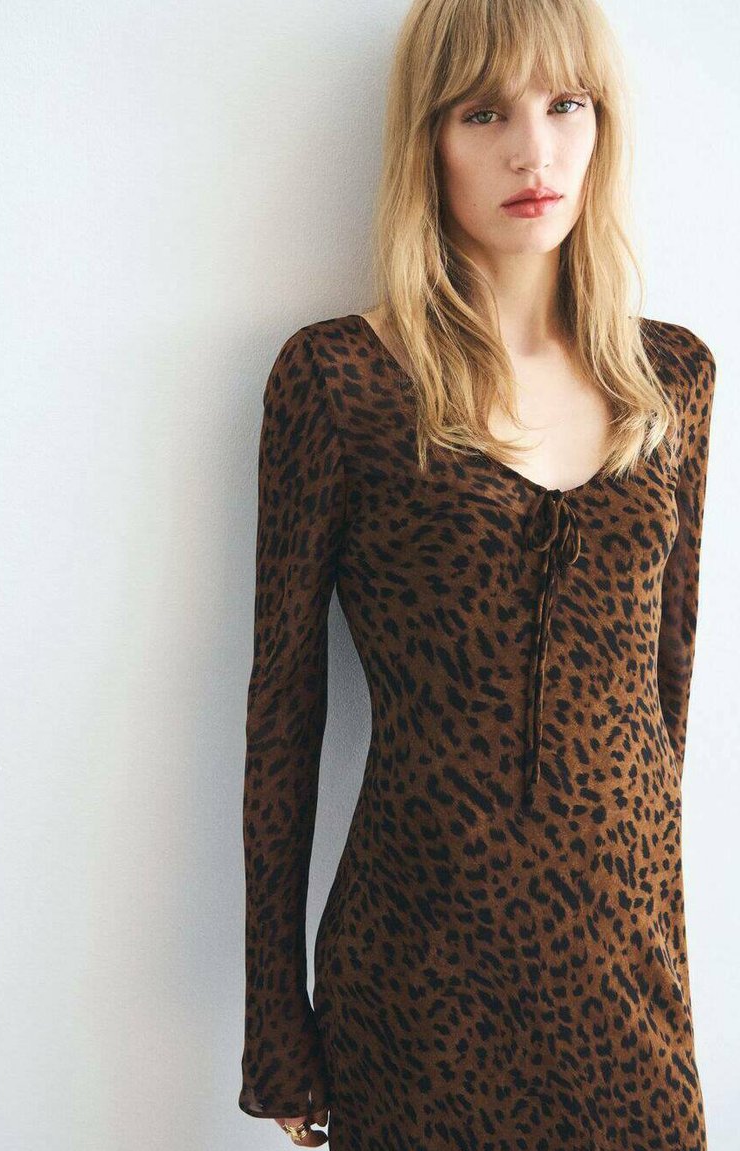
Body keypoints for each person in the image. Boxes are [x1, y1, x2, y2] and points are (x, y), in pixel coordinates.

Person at [238, 0, 717, 1147]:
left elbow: (663, 707)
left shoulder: (670, 380)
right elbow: (282, 710)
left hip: (623, 986)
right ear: (428, 138)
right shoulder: (341, 380)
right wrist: (274, 1024)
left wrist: (660, 958)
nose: (532, 151)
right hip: (416, 981)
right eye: (482, 112)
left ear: (602, 126)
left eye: (565, 105)